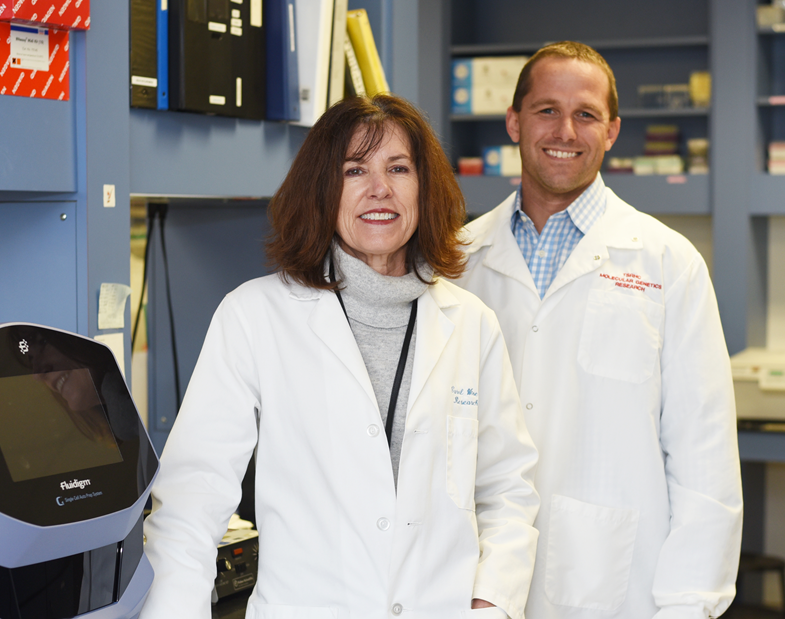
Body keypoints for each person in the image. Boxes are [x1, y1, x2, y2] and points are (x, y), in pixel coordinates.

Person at [141, 95, 539, 619]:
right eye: (355, 170)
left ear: (426, 189)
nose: (381, 188)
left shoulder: (470, 323)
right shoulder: (255, 315)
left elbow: (507, 488)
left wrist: (492, 603)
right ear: (323, 190)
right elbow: (192, 499)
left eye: (399, 168)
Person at [453, 42, 743, 619]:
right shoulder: (458, 260)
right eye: (545, 110)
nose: (566, 129)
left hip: (618, 584)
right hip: (478, 580)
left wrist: (690, 605)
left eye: (585, 114)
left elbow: (703, 456)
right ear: (514, 121)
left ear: (611, 131)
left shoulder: (666, 262)